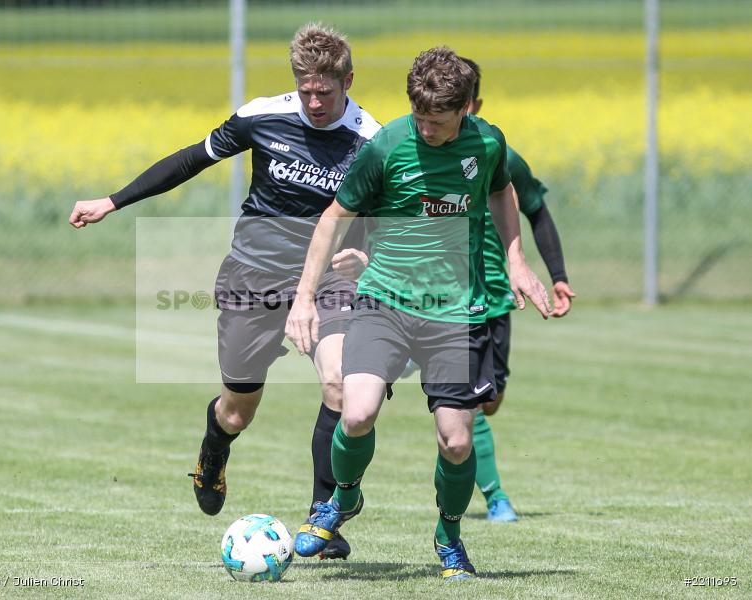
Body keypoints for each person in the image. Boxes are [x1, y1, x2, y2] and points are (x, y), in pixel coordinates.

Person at [68, 23, 380, 560]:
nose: (314, 101)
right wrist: (114, 201)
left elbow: (386, 211)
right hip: (253, 276)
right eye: (305, 89)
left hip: (326, 280)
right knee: (237, 410)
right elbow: (191, 159)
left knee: (340, 385)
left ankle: (323, 521)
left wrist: (368, 251)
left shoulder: (371, 139)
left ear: (347, 80)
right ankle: (213, 454)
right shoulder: (263, 115)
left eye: (325, 91)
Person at [285, 47, 550, 581]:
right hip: (383, 301)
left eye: (438, 122)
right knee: (355, 412)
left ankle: (449, 539)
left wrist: (517, 260)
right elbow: (336, 217)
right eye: (420, 118)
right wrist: (304, 297)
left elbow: (502, 190)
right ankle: (343, 499)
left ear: (466, 112)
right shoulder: (387, 144)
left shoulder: (487, 142)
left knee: (455, 440)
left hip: (454, 312)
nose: (426, 130)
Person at [387, 57, 577, 522]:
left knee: (490, 401)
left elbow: (535, 210)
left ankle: (454, 446)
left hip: (498, 299)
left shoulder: (497, 154)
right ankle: (494, 495)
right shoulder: (414, 150)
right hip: (450, 298)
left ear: (473, 106)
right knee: (467, 403)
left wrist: (556, 274)